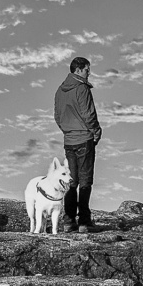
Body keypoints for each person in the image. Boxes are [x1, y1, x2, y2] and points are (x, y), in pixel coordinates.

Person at [54, 56, 102, 233]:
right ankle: (84, 222)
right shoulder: (82, 89)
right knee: (85, 182)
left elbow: (58, 117)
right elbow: (89, 114)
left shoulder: (60, 90)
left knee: (71, 181)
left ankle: (68, 222)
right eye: (87, 69)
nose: (89, 72)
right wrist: (96, 131)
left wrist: (68, 131)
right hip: (84, 139)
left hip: (69, 141)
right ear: (79, 69)